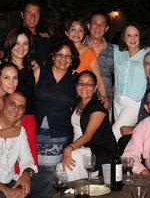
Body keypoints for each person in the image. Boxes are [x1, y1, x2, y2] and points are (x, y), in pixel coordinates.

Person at [112, 22, 150, 141]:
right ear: (124, 38)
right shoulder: (118, 52)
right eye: (129, 35)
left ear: (140, 37)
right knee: (123, 136)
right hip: (118, 98)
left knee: (114, 133)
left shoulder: (147, 52)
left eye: (136, 35)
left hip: (134, 102)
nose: (132, 39)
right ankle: (125, 156)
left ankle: (112, 158)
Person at [57, 70, 116, 181]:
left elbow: (88, 135)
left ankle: (69, 191)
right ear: (76, 86)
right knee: (67, 166)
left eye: (89, 84)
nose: (84, 87)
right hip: (79, 149)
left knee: (68, 164)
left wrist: (69, 148)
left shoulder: (99, 107)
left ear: (95, 88)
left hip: (96, 150)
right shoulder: (76, 103)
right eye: (80, 83)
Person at [33, 39, 80, 172]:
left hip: (60, 133)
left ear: (72, 59)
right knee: (34, 171)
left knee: (56, 173)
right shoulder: (39, 71)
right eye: (59, 54)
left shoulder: (75, 79)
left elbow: (82, 103)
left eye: (67, 56)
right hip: (35, 130)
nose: (63, 59)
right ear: (53, 56)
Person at [0, 91, 52, 198]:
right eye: (12, 104)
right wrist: (6, 191)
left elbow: (27, 159)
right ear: (2, 104)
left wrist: (27, 173)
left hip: (10, 181)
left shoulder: (21, 131)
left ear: (23, 112)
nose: (16, 109)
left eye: (21, 106)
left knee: (47, 179)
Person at [3, 26, 39, 172]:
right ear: (10, 43)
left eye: (25, 43)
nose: (21, 47)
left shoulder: (33, 67)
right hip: (7, 117)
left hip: (28, 118)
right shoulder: (2, 65)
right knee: (6, 160)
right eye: (17, 43)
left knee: (27, 163)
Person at [65, 17, 108, 107]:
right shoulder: (61, 51)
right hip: (63, 95)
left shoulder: (89, 53)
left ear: (84, 34)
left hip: (81, 98)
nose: (77, 33)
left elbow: (98, 78)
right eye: (73, 29)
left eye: (80, 30)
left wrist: (103, 96)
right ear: (66, 32)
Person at [84, 12, 114, 113]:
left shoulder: (113, 50)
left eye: (102, 24)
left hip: (104, 104)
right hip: (80, 102)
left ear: (106, 28)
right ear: (89, 26)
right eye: (95, 23)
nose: (98, 27)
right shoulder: (78, 47)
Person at [20, 0, 52, 66]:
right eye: (29, 13)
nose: (33, 17)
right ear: (22, 15)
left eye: (36, 13)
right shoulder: (11, 37)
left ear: (39, 17)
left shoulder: (46, 42)